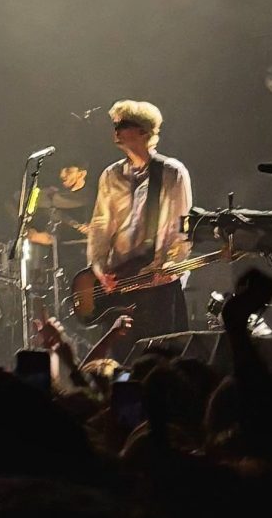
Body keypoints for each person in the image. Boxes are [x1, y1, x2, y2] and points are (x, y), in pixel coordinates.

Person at [84, 100, 195, 341]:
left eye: (123, 125)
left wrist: (171, 265)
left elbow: (182, 229)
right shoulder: (111, 175)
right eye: (115, 125)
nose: (116, 131)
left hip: (157, 285)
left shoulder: (172, 172)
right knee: (119, 355)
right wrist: (99, 269)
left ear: (144, 131)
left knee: (160, 354)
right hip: (119, 284)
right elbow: (101, 226)